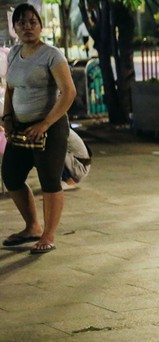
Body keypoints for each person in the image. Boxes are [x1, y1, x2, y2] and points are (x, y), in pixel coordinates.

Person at [1, 3, 76, 254]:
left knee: (49, 179)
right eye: (21, 23)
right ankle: (31, 226)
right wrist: (7, 117)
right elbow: (11, 88)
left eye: (32, 22)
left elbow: (69, 92)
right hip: (20, 127)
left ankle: (48, 234)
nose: (27, 27)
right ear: (15, 28)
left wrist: (45, 123)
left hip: (51, 127)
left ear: (40, 26)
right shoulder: (13, 54)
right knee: (11, 174)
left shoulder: (52, 55)